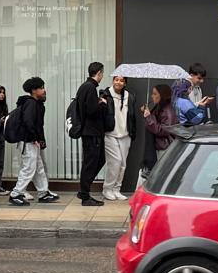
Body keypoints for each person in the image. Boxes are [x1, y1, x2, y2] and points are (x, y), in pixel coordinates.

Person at [8, 78, 54, 206]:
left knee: (39, 167)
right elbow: (29, 122)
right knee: (29, 168)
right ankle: (16, 193)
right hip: (28, 141)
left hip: (31, 141)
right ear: (34, 90)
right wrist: (35, 138)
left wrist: (39, 139)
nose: (44, 90)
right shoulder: (31, 104)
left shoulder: (34, 103)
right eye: (41, 88)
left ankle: (43, 192)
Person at [74, 63, 109, 207]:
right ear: (99, 73)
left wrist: (97, 101)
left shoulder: (86, 87)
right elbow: (91, 111)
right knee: (91, 163)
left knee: (99, 159)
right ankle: (85, 194)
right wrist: (102, 103)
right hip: (91, 132)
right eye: (102, 73)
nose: (102, 76)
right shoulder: (89, 87)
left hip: (90, 132)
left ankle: (84, 190)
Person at [102, 72, 136, 201]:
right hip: (110, 134)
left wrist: (133, 132)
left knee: (123, 164)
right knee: (115, 162)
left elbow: (131, 116)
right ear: (113, 80)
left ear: (125, 83)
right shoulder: (106, 94)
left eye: (122, 81)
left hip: (125, 134)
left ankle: (117, 189)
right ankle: (107, 189)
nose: (118, 82)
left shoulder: (129, 96)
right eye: (116, 80)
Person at [140, 83, 179, 181]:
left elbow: (163, 130)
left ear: (162, 95)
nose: (152, 96)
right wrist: (147, 113)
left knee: (160, 176)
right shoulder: (159, 108)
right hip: (158, 147)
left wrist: (148, 117)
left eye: (155, 94)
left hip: (164, 148)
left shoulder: (168, 111)